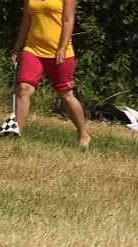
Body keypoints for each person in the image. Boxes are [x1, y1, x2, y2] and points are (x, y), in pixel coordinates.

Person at [10, 0, 91, 148]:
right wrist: (17, 48)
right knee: (23, 89)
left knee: (65, 95)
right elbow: (26, 20)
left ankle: (83, 134)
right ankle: (16, 134)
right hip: (33, 49)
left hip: (59, 52)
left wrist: (62, 47)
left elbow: (68, 20)